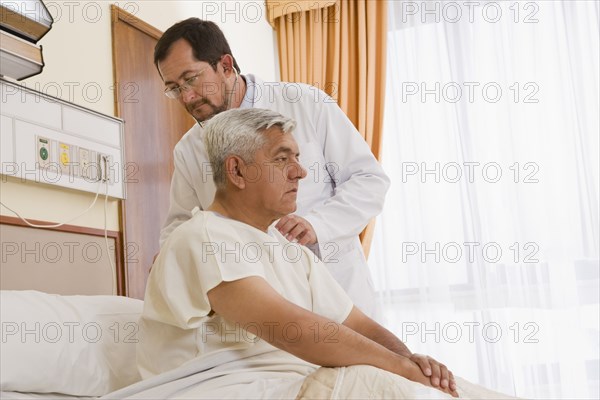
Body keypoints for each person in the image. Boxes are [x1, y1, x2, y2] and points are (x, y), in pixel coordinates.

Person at [137, 109, 515, 400]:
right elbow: (292, 328)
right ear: (236, 171)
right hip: (227, 387)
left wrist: (412, 359)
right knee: (388, 386)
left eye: (297, 157)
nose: (300, 172)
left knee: (456, 389)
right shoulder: (203, 236)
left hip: (292, 382)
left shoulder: (289, 252)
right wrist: (400, 368)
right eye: (283, 158)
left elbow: (357, 324)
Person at [154, 18, 390, 318]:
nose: (186, 97)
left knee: (367, 361)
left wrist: (319, 225)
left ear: (226, 66)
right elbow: (179, 224)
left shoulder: (306, 102)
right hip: (260, 309)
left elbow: (368, 179)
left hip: (336, 286)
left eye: (191, 80)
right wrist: (170, 259)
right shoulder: (189, 149)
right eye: (174, 88)